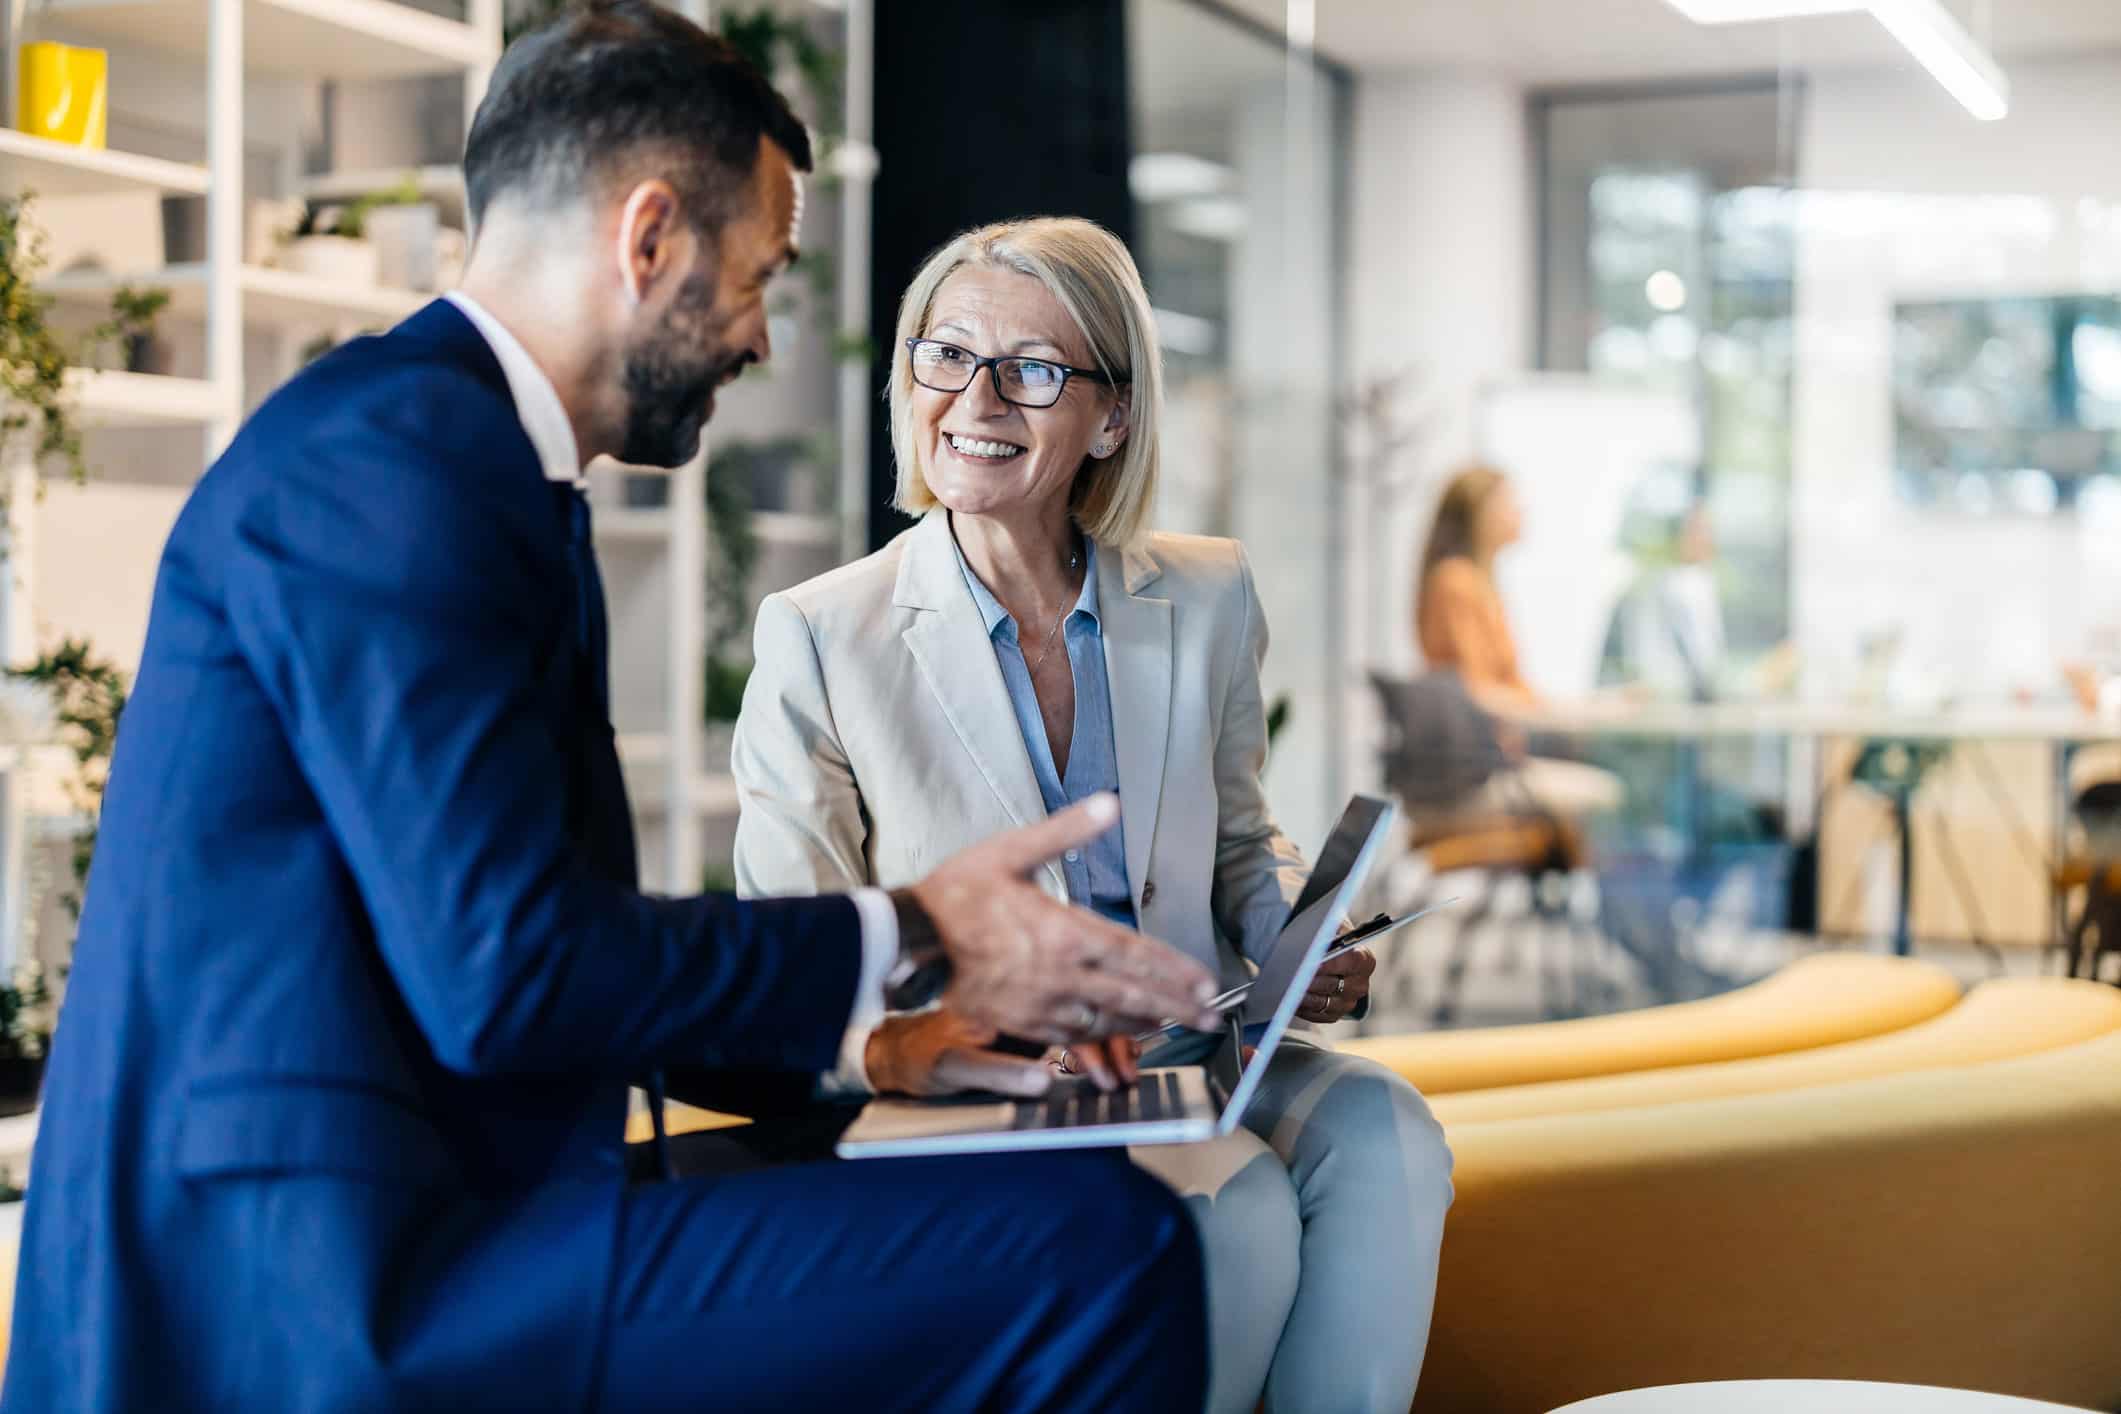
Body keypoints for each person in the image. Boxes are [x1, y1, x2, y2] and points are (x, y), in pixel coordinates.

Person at [2, 9, 1227, 1411]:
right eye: (760, 276)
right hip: (312, 1279)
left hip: (425, 1206)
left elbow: (527, 955)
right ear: (648, 238)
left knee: (1037, 1191)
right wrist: (925, 932)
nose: (763, 338)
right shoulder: (394, 465)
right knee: (1103, 1250)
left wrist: (883, 1043)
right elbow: (507, 969)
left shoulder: (462, 462)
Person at [731, 216, 1456, 1414]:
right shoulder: (820, 633)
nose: (978, 398)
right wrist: (932, 1039)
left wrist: (1292, 942)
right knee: (1233, 1203)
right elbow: (791, 950)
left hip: (1191, 1044)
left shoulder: (1205, 590)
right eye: (945, 354)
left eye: (1035, 370)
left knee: (1390, 1136)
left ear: (1110, 418)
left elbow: (1237, 837)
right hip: (987, 1082)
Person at [1416, 464, 1623, 821]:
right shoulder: (1457, 582)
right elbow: (1478, 692)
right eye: (1508, 502)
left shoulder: (1477, 582)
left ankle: (1555, 872)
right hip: (1475, 772)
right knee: (1607, 792)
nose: (1520, 511)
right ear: (1479, 516)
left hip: (1494, 759)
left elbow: (1504, 687)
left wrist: (1582, 706)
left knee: (1594, 777)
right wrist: (1572, 711)